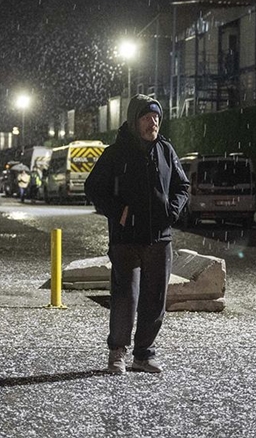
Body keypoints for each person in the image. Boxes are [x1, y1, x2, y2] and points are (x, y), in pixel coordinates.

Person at [85, 93, 190, 374]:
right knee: (125, 296)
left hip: (159, 238)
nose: (152, 123)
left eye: (156, 118)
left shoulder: (166, 150)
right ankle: (117, 351)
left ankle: (143, 354)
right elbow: (93, 187)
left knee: (155, 298)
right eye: (146, 117)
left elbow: (183, 185)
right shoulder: (116, 153)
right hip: (126, 239)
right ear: (134, 121)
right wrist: (118, 212)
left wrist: (172, 211)